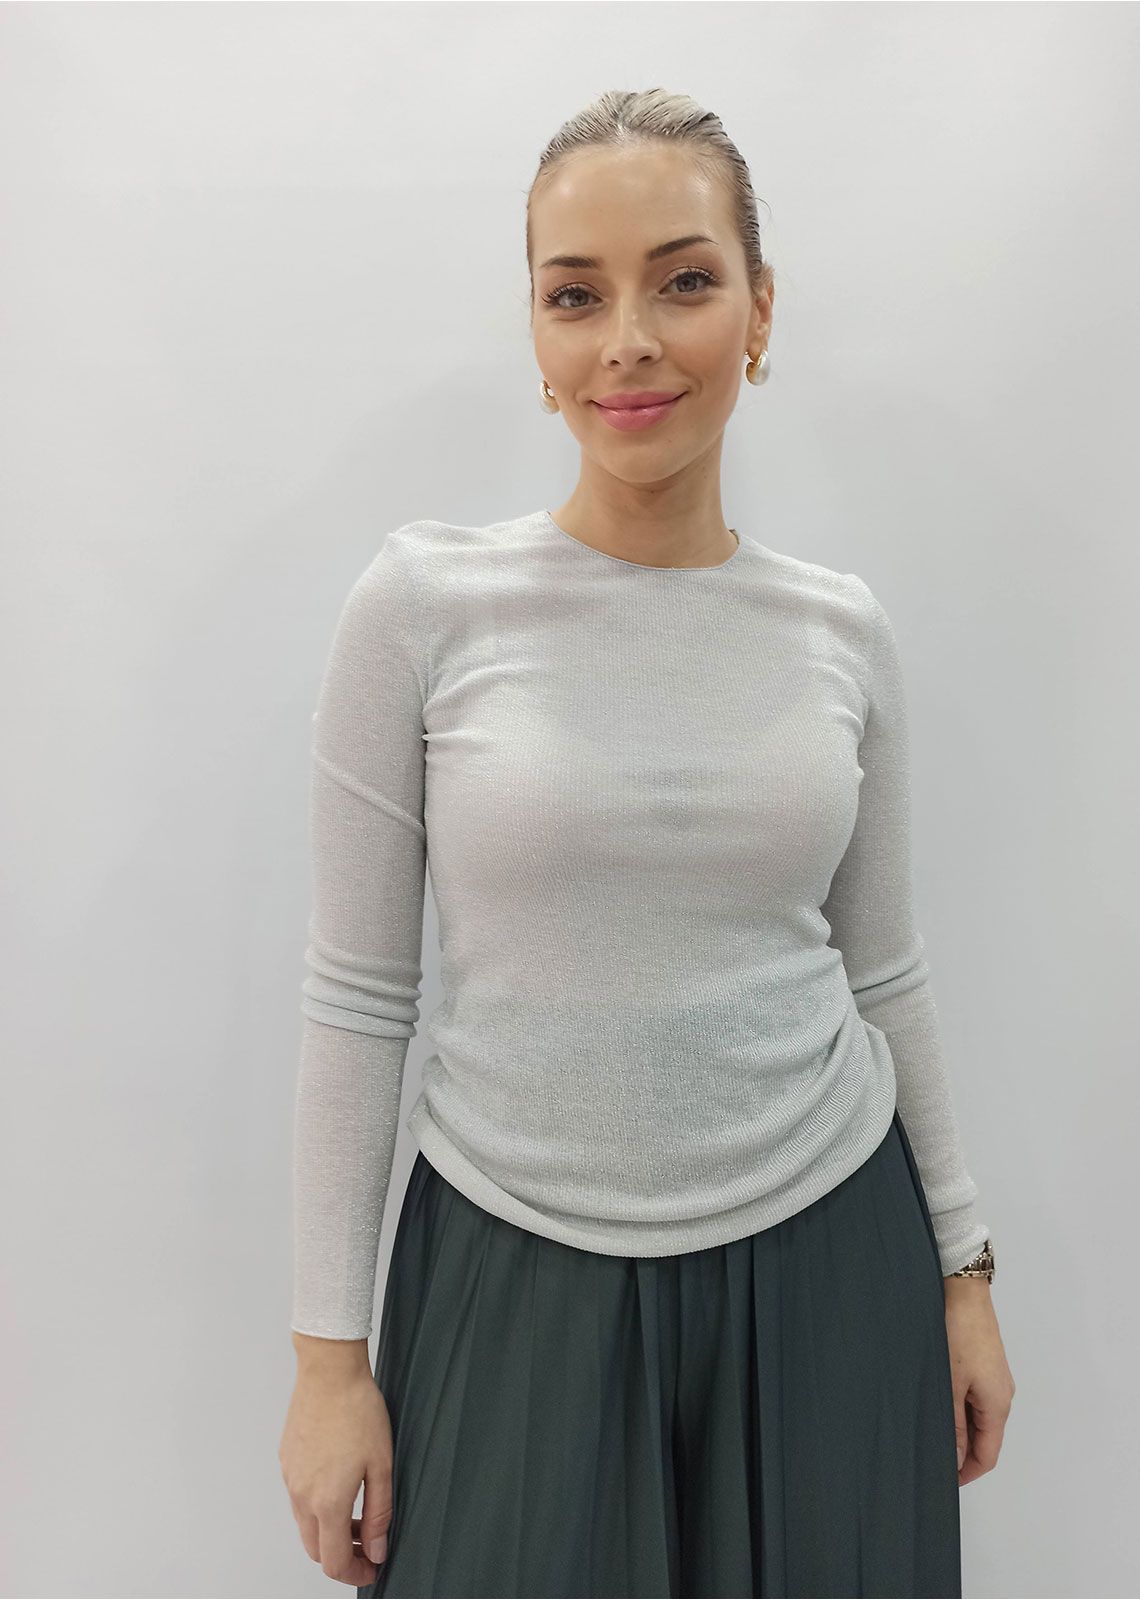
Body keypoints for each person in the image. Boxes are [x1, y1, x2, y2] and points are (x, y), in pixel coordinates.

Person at [278, 86, 1015, 1599]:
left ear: (759, 311)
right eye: (576, 295)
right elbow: (358, 1000)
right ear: (538, 336)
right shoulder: (422, 609)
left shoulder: (840, 632)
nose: (629, 340)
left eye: (683, 281)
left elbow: (885, 970)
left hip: (831, 1262)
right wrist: (327, 1365)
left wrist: (963, 1273)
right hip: (509, 1265)